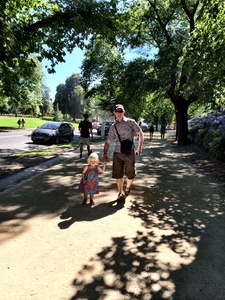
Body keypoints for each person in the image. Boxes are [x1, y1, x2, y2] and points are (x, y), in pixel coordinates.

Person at [103, 104, 144, 201]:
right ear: (114, 113)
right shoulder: (113, 127)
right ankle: (120, 192)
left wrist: (139, 148)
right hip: (117, 153)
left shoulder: (130, 122)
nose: (119, 113)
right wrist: (105, 154)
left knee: (130, 174)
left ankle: (128, 187)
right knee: (118, 175)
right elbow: (108, 141)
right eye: (117, 111)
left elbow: (140, 133)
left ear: (124, 112)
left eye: (121, 111)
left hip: (129, 152)